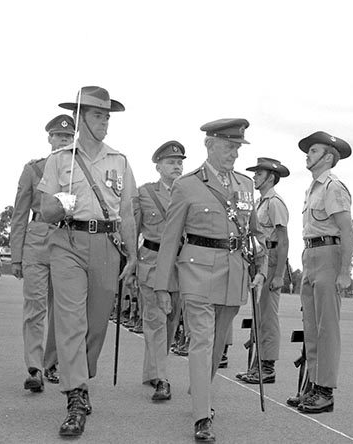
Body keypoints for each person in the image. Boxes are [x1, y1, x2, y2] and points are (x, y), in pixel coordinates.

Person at [152, 118, 265, 442]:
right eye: (228, 146)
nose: (233, 153)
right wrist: (162, 285)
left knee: (216, 345)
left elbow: (255, 233)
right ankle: (202, 415)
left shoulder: (245, 186)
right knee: (201, 341)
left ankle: (201, 391)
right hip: (197, 270)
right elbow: (171, 239)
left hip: (234, 271)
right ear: (209, 145)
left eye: (237, 147)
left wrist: (261, 267)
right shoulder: (187, 185)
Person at [38, 86, 137, 437]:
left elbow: (126, 211)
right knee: (70, 321)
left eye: (108, 115)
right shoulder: (59, 160)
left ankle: (82, 374)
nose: (105, 121)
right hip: (67, 242)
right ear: (81, 117)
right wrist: (57, 205)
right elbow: (44, 210)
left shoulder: (120, 161)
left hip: (107, 244)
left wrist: (133, 255)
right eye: (98, 114)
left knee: (97, 323)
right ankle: (75, 395)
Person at [291, 131, 353, 415]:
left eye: (313, 151)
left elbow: (346, 230)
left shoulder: (333, 187)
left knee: (327, 328)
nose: (308, 155)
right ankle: (312, 386)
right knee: (312, 328)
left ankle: (325, 390)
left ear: (328, 157)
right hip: (310, 255)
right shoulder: (312, 188)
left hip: (329, 255)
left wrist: (344, 272)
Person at [11, 114, 74, 392]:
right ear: (49, 138)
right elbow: (19, 214)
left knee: (63, 309)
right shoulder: (33, 169)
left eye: (68, 137)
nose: (63, 140)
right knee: (35, 307)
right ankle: (34, 368)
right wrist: (16, 256)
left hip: (68, 240)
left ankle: (53, 363)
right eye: (59, 136)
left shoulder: (78, 170)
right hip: (37, 241)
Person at [135, 140, 186, 402]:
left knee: (170, 321)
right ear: (158, 166)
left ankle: (153, 370)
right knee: (154, 320)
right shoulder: (144, 193)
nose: (176, 166)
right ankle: (162, 379)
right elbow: (133, 230)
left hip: (179, 265)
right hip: (152, 261)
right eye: (170, 162)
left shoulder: (188, 191)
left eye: (179, 162)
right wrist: (131, 261)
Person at [237, 157, 290, 384]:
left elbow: (284, 240)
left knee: (268, 316)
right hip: (261, 258)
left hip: (272, 258)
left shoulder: (275, 202)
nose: (255, 177)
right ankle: (258, 364)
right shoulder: (260, 202)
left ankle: (267, 367)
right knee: (259, 315)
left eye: (259, 174)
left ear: (271, 177)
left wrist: (278, 275)